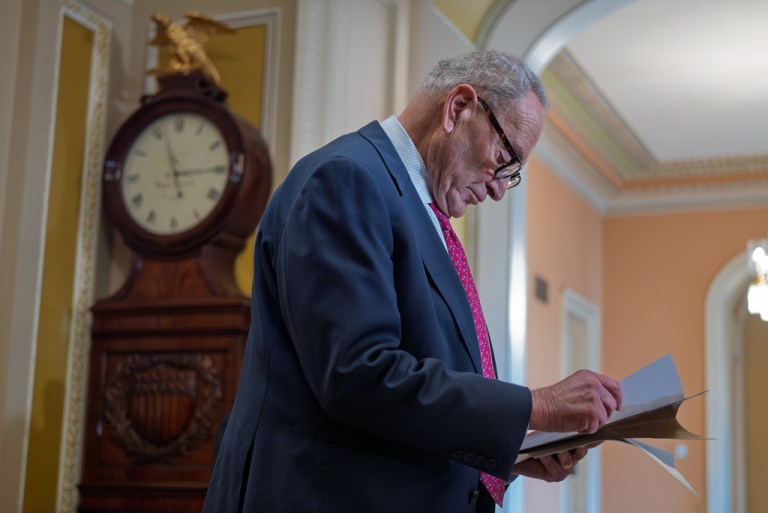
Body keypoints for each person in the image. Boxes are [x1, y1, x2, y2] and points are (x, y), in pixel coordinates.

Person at [203, 50, 622, 513]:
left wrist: (512, 449)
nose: (500, 187)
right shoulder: (346, 179)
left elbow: (413, 398)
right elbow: (359, 376)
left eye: (512, 174)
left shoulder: (420, 209)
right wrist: (536, 405)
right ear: (458, 108)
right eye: (504, 158)